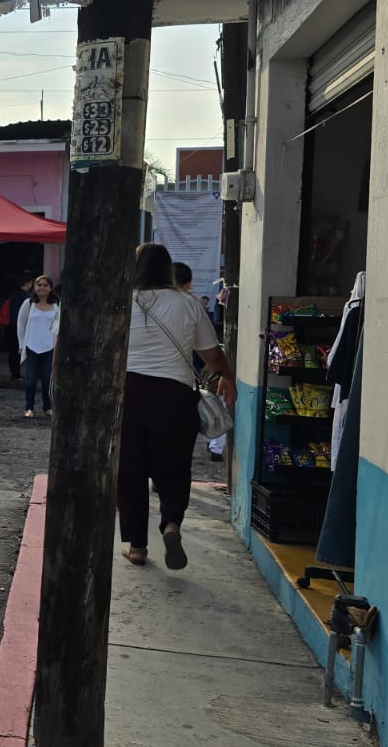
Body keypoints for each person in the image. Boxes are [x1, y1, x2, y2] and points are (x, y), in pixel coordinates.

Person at [119, 243, 236, 570]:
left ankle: (137, 546)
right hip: (174, 396)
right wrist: (226, 376)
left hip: (127, 393)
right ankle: (171, 523)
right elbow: (211, 355)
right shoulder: (188, 304)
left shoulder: (121, 301)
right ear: (168, 269)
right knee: (173, 466)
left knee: (130, 471)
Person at [16, 275, 60, 419]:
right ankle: (29, 407)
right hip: (31, 346)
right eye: (39, 285)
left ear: (50, 288)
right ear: (34, 288)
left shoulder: (56, 305)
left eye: (45, 285)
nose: (42, 288)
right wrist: (21, 344)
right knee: (30, 379)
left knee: (48, 379)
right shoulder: (28, 304)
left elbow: (60, 327)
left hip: (49, 347)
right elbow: (20, 325)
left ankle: (48, 407)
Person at [2, 274, 34, 381]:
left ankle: (15, 374)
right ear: (27, 283)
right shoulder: (27, 297)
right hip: (22, 327)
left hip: (11, 326)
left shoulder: (13, 295)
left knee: (13, 351)